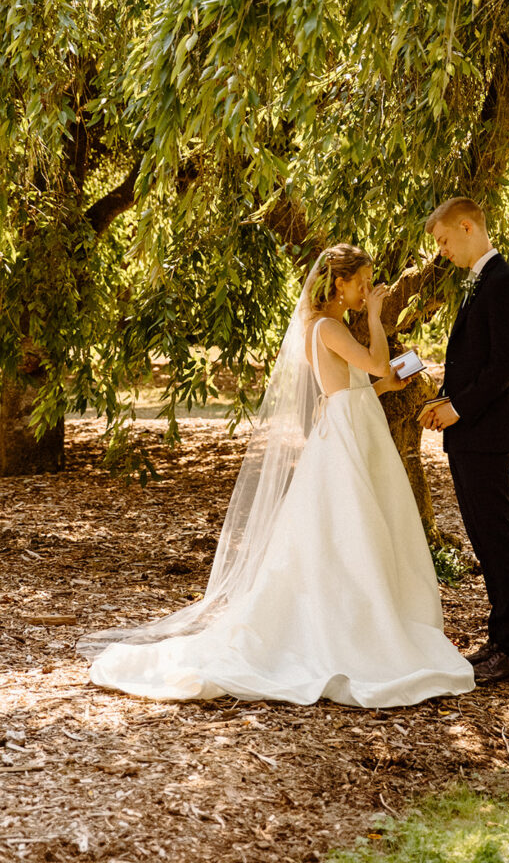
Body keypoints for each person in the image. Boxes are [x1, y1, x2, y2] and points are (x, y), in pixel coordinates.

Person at [79, 244, 474, 707]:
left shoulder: (327, 326)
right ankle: (349, 631)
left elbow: (363, 381)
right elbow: (374, 364)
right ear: (338, 283)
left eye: (369, 283)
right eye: (361, 282)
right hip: (348, 434)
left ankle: (363, 616)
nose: (368, 289)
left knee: (358, 527)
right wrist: (376, 316)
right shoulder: (326, 325)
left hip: (355, 424)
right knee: (352, 527)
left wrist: (389, 382)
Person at [420, 198, 509, 684]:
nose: (443, 251)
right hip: (470, 432)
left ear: (467, 227)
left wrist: (458, 407)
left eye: (445, 240)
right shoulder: (480, 283)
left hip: (488, 434)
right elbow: (474, 361)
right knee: (483, 539)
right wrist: (443, 395)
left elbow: (503, 368)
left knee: (498, 539)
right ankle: (498, 640)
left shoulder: (506, 284)